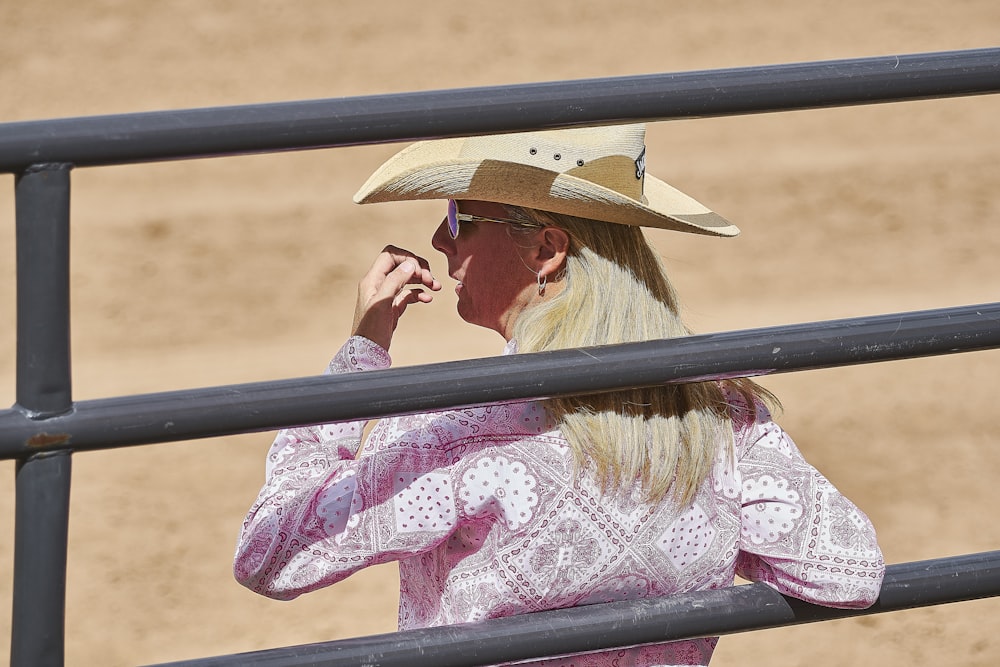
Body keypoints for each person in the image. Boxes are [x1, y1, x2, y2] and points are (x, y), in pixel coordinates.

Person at [234, 124, 884, 666]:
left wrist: (361, 355)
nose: (440, 239)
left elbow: (273, 553)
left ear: (546, 248)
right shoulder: (717, 413)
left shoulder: (467, 430)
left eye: (462, 216)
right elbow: (843, 570)